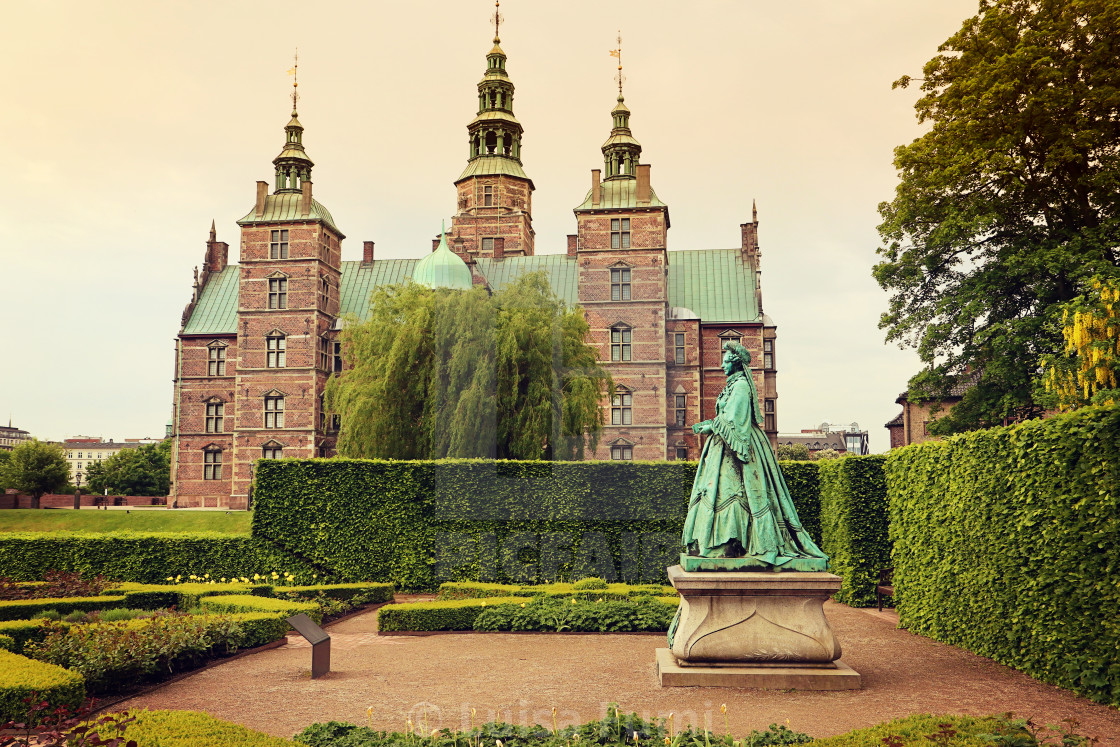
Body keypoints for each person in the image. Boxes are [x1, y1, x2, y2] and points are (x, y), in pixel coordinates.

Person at [681, 342, 827, 570]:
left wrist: (710, 426)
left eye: (725, 361)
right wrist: (708, 425)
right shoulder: (732, 385)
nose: (721, 365)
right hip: (724, 447)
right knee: (719, 491)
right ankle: (722, 543)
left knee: (734, 491)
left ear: (735, 364)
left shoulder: (740, 387)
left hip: (739, 449)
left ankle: (731, 543)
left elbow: (735, 419)